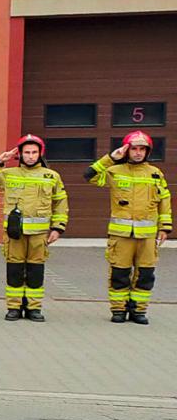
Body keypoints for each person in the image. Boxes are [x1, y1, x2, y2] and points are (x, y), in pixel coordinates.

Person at [0, 134, 66, 321]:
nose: (31, 156)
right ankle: (14, 307)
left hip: (39, 235)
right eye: (27, 152)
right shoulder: (9, 174)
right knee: (15, 271)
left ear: (40, 153)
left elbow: (60, 203)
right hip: (14, 234)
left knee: (35, 272)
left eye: (34, 152)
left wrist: (58, 228)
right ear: (20, 155)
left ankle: (34, 308)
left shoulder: (51, 176)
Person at [87, 131, 171, 325]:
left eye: (142, 149)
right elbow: (89, 175)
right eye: (134, 148)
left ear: (148, 151)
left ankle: (138, 311)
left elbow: (164, 201)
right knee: (119, 274)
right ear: (126, 150)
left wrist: (165, 227)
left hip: (147, 236)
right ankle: (118, 310)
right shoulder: (114, 171)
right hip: (121, 235)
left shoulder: (155, 174)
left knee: (145, 275)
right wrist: (110, 158)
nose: (138, 153)